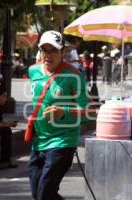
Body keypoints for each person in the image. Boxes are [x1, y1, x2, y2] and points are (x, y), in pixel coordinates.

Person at [27, 30, 92, 200]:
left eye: (53, 50)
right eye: (44, 50)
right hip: (38, 142)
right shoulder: (33, 71)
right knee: (38, 194)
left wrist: (64, 112)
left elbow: (89, 113)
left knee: (44, 195)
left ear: (63, 52)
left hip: (62, 142)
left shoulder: (74, 76)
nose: (48, 55)